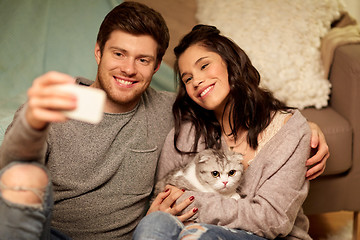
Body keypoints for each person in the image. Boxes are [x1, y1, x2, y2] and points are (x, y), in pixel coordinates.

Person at [0, 2, 327, 240]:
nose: (129, 69)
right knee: (23, 176)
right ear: (98, 52)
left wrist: (305, 128)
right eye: (118, 54)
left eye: (142, 59)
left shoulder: (174, 110)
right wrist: (31, 120)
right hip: (49, 233)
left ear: (156, 68)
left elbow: (234, 106)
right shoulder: (61, 103)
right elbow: (8, 171)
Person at [133, 25, 316, 239]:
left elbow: (273, 220)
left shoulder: (289, 130)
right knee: (153, 224)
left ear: (231, 62)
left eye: (204, 66)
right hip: (187, 231)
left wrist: (194, 201)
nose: (197, 81)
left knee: (200, 236)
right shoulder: (187, 131)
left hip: (266, 236)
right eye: (187, 78)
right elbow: (163, 198)